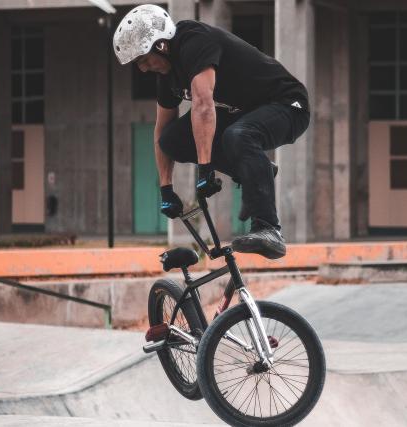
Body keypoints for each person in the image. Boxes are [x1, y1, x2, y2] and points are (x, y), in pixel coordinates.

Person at [112, 4, 309, 260]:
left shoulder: (194, 41)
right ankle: (256, 169)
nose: (143, 68)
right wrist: (166, 189)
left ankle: (269, 228)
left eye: (144, 59)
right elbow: (161, 130)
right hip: (245, 112)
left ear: (160, 45)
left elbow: (203, 105)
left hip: (287, 104)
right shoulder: (167, 76)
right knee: (172, 140)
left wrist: (205, 169)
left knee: (239, 135)